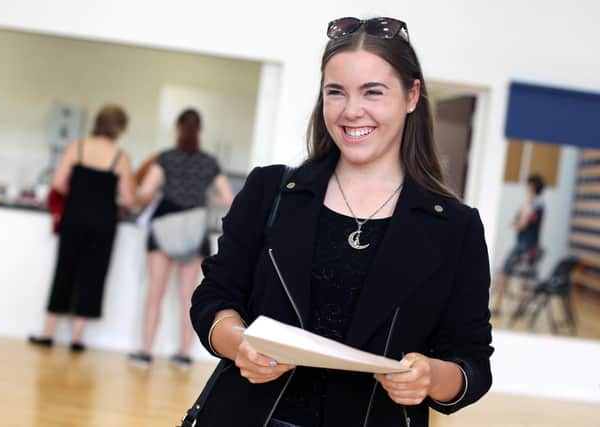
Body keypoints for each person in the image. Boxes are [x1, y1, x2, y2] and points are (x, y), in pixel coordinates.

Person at [189, 17, 493, 427]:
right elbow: (214, 298)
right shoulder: (269, 191)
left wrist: (430, 377)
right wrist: (238, 343)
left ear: (412, 95)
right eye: (336, 92)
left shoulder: (455, 228)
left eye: (373, 92)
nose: (352, 111)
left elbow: (470, 362)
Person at [128, 109, 234, 368]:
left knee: (155, 292)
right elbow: (230, 199)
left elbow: (145, 192)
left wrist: (137, 194)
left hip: (164, 224)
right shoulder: (209, 162)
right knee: (189, 296)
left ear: (178, 128)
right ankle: (184, 355)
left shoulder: (166, 158)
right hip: (194, 226)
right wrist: (206, 199)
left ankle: (145, 353)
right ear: (200, 130)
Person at [29, 104, 135, 351]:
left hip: (74, 216)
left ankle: (48, 332)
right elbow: (128, 199)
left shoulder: (76, 147)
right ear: (119, 129)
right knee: (93, 275)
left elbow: (57, 183)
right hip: (104, 222)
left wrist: (78, 195)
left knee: (64, 269)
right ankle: (77, 338)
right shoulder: (121, 157)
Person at [491, 174, 545, 316]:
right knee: (521, 277)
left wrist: (516, 223)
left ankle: (501, 306)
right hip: (527, 246)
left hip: (526, 246)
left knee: (509, 273)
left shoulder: (533, 205)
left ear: (532, 186)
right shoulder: (535, 204)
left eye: (528, 185)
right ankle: (512, 307)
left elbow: (521, 224)